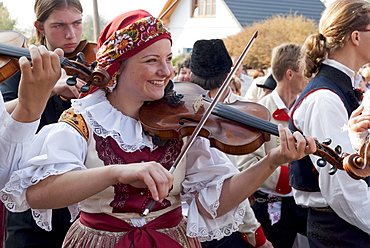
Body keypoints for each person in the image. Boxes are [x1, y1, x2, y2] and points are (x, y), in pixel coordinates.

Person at [0, 9, 316, 248]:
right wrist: (116, 173)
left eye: (168, 58)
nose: (166, 71)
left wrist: (271, 161)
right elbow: (38, 194)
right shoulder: (83, 122)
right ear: (117, 67)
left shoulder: (181, 126)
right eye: (152, 60)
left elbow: (217, 201)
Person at [0, 1, 94, 247]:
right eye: (59, 26)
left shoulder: (93, 63)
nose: (71, 34)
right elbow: (4, 114)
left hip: (82, 203)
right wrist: (50, 89)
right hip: (29, 203)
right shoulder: (21, 66)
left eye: (76, 23)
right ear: (39, 26)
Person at [289, 0, 370, 247]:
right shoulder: (324, 97)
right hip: (341, 230)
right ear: (355, 36)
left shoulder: (343, 87)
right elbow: (342, 189)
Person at [189, 38, 272, 248]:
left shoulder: (245, 113)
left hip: (217, 224)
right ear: (228, 75)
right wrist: (256, 235)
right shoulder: (181, 112)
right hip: (204, 228)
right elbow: (232, 186)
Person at [235, 43, 309, 248]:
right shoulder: (259, 112)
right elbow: (247, 164)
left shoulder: (307, 107)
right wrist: (295, 178)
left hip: (304, 202)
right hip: (272, 205)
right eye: (305, 71)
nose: (309, 76)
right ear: (290, 74)